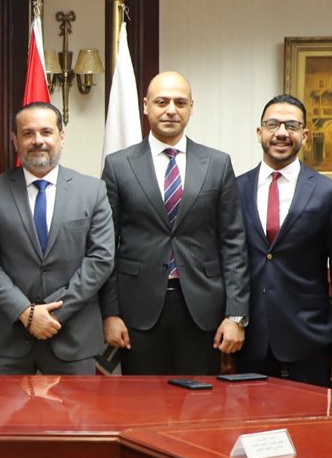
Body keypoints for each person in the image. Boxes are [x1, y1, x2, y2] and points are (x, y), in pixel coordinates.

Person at [100, 70, 249, 375]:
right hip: (137, 309)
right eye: (162, 102)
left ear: (191, 108)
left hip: (202, 309)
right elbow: (106, 246)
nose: (171, 110)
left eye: (180, 103)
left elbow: (234, 243)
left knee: (200, 399)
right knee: (141, 400)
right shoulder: (118, 165)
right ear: (146, 106)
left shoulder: (217, 164)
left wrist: (236, 316)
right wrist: (110, 313)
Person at [0, 102, 114, 375]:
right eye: (28, 133)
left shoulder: (93, 191)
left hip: (73, 338)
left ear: (61, 137)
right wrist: (25, 312)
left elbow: (101, 259)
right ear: (15, 141)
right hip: (7, 339)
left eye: (46, 132)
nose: (38, 140)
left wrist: (53, 313)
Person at [235, 94, 332, 386]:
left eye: (292, 126)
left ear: (305, 135)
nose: (282, 133)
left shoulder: (330, 194)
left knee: (309, 415)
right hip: (248, 337)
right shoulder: (235, 189)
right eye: (273, 124)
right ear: (259, 132)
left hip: (310, 337)